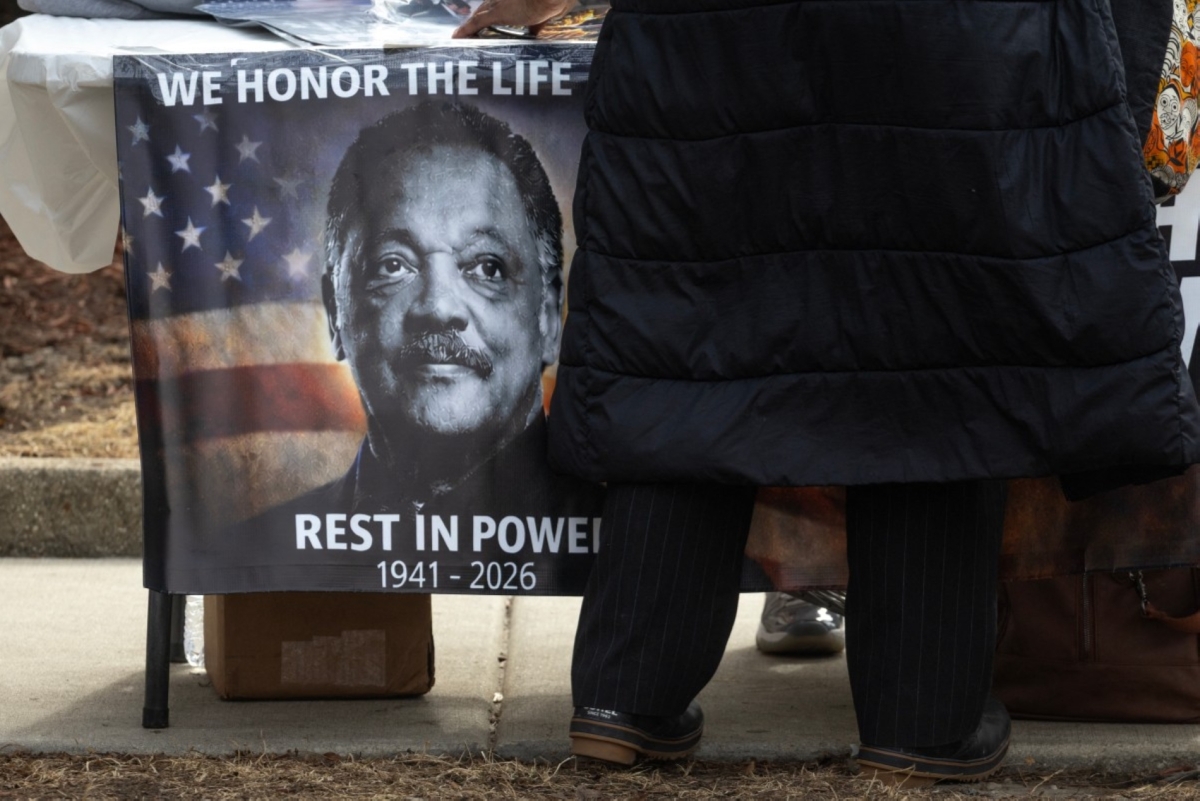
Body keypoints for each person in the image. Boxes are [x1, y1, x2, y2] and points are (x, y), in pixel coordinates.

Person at [456, 0, 1200, 786]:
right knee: (937, 348)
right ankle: (921, 721)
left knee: (687, 345)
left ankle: (622, 698)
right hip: (955, 42)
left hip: (710, 44)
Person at [229, 102, 603, 546]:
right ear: (336, 314)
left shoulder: (622, 539)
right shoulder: (260, 547)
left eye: (487, 267)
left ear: (547, 316)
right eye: (392, 265)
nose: (438, 307)